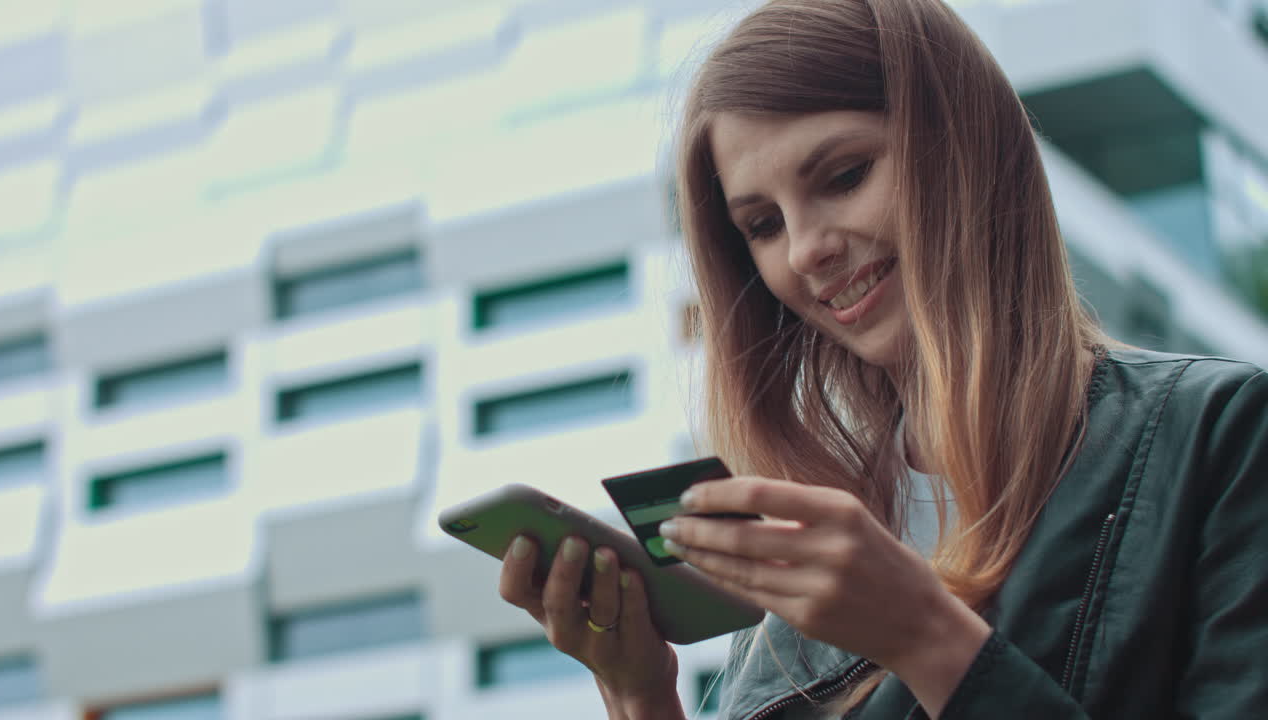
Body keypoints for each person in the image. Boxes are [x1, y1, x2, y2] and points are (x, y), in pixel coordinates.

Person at [497, 0, 1268, 718]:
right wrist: (639, 695)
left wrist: (927, 638)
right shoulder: (801, 552)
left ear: (964, 146)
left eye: (844, 176)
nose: (806, 251)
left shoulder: (1218, 437)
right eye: (762, 225)